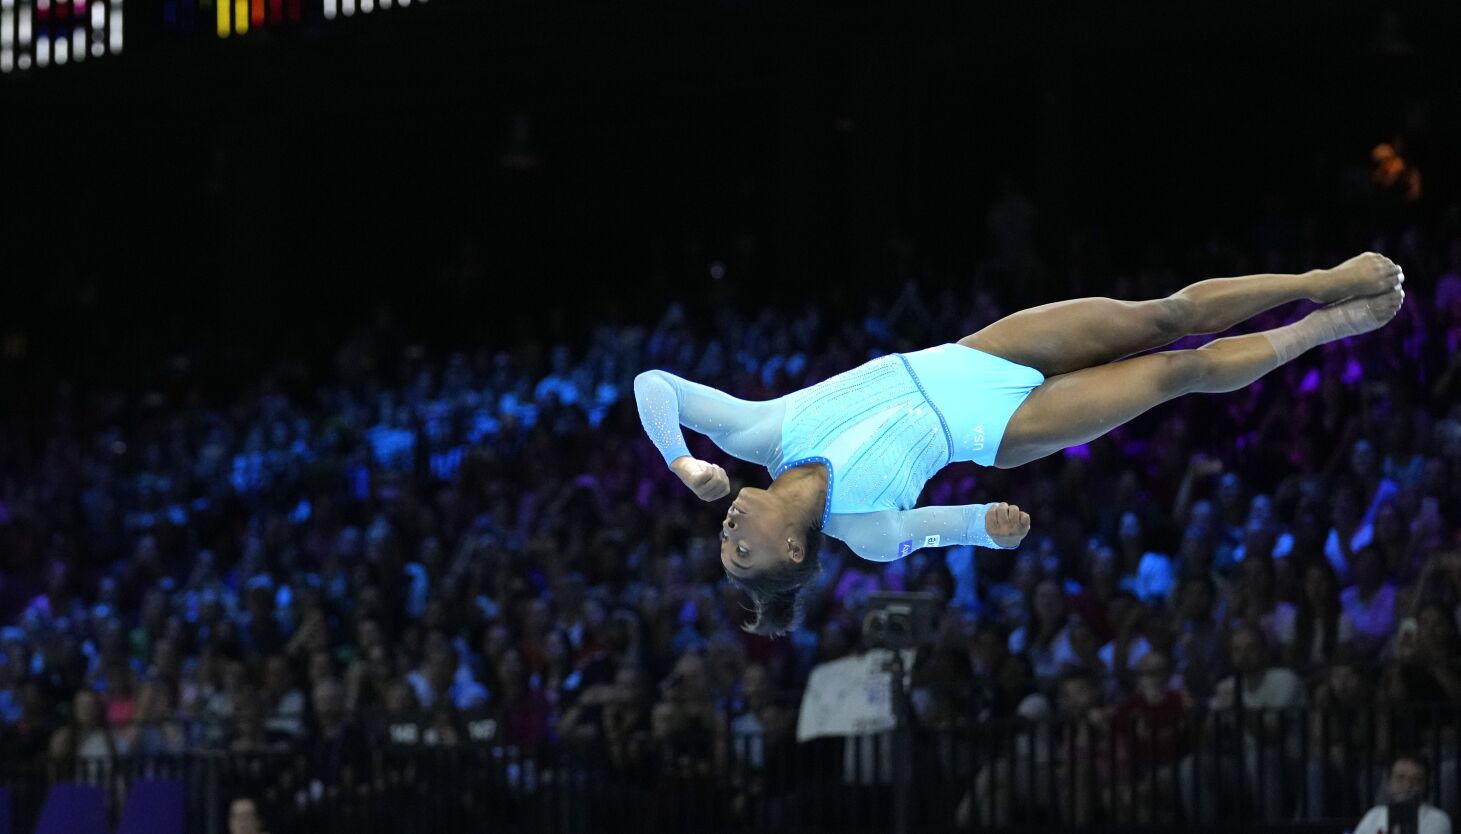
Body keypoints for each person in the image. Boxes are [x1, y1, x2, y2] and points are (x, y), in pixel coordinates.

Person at [635, 254, 1406, 634]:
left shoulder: (761, 431)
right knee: (1179, 371)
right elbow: (963, 528)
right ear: (794, 556)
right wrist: (995, 529)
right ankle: (1326, 327)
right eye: (742, 553)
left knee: (1164, 315)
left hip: (981, 355)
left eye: (725, 540)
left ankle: (1321, 278)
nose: (727, 530)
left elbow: (655, 385)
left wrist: (678, 457)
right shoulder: (862, 533)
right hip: (1003, 428)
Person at [1352, 753, 1452, 834]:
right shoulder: (1374, 815)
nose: (1408, 785)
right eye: (1400, 778)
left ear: (1425, 785)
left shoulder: (1437, 819)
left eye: (1416, 780)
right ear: (1388, 783)